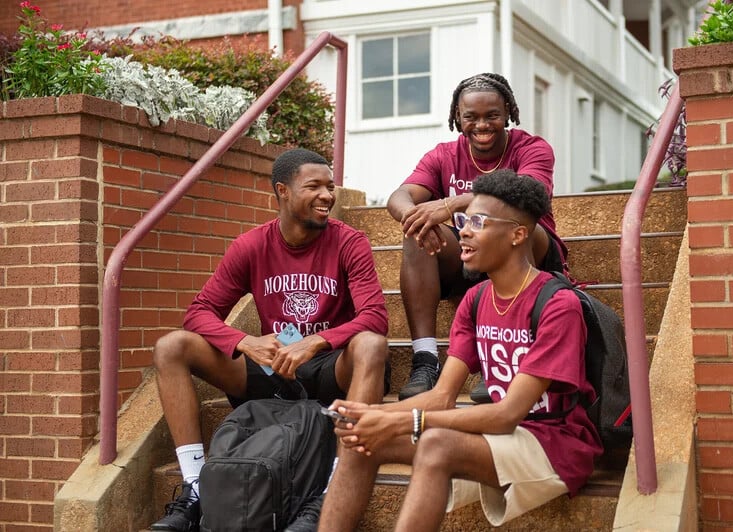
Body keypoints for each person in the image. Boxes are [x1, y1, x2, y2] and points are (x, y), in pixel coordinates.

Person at [318, 170, 601, 531]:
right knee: (361, 438)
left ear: (518, 234)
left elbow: (506, 415)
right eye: (464, 220)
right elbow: (440, 397)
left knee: (437, 444)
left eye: (478, 222)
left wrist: (398, 419)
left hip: (554, 443)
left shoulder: (558, 304)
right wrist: (368, 415)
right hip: (499, 439)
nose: (464, 231)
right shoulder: (476, 299)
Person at [149, 148, 390, 532]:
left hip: (331, 368)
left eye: (330, 186)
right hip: (273, 367)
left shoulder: (349, 242)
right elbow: (199, 312)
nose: (328, 195)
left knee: (372, 345)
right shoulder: (251, 246)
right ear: (283, 191)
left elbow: (375, 318)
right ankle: (195, 490)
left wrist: (316, 342)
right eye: (314, 186)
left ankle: (334, 489)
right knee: (171, 346)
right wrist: (245, 342)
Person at [386, 72, 567, 400]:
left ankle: (497, 359)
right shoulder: (443, 154)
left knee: (500, 223)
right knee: (418, 232)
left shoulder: (532, 148)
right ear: (458, 116)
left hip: (530, 250)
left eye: (492, 116)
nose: (482, 125)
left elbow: (529, 192)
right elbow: (399, 196)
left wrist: (450, 203)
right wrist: (416, 218)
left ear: (508, 112)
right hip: (468, 257)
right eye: (471, 116)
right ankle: (425, 359)